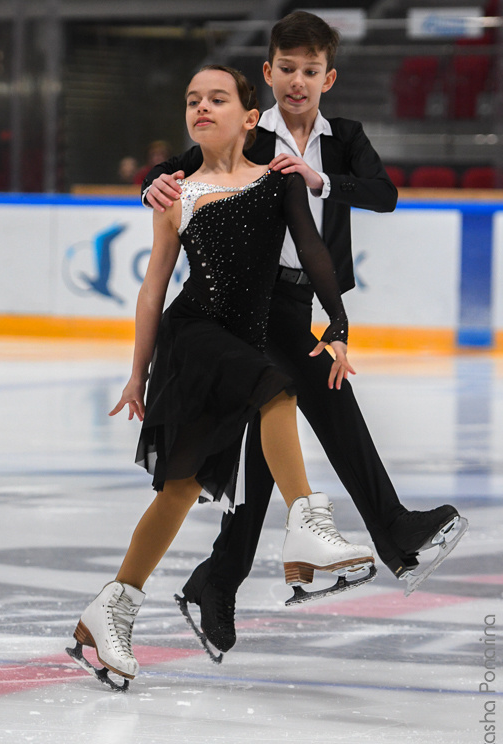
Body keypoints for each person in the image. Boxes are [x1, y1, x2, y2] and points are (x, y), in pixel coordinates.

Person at [142, 11, 464, 656]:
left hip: (303, 301)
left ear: (328, 77)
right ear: (268, 73)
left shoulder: (343, 137)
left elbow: (384, 194)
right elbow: (181, 171)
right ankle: (390, 534)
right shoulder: (248, 135)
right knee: (311, 416)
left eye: (309, 71)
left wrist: (324, 181)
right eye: (286, 69)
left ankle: (219, 579)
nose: (297, 81)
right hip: (250, 303)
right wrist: (150, 183)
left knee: (268, 449)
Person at [67, 64, 375, 689]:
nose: (200, 108)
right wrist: (137, 372)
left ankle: (109, 610)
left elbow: (315, 255)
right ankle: (307, 524)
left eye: (217, 99)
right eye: (191, 101)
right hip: (194, 339)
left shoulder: (277, 179)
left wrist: (337, 325)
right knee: (277, 387)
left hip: (239, 343)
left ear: (250, 116)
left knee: (180, 488)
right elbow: (154, 288)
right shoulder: (175, 193)